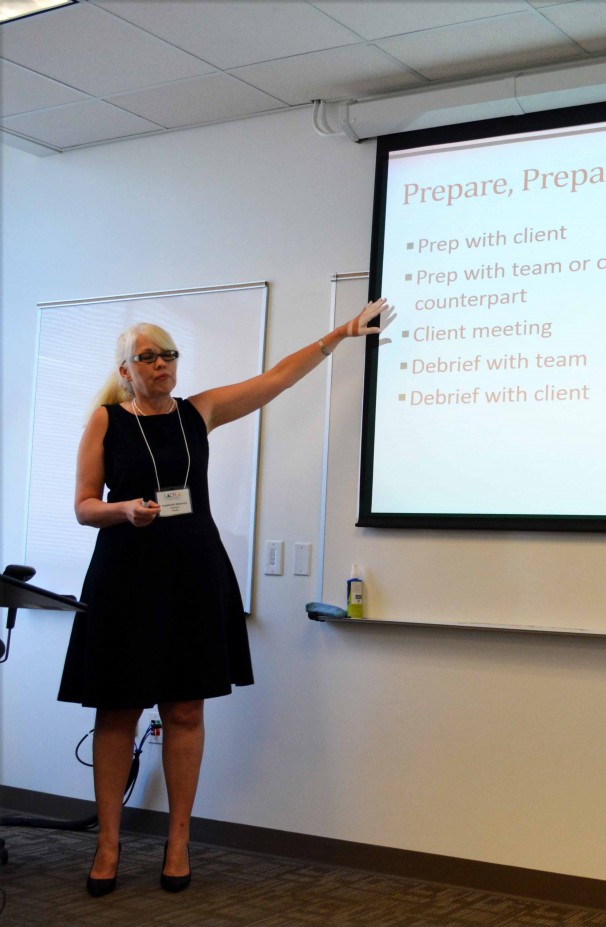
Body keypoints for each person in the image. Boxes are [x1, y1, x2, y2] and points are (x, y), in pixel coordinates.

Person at [57, 297, 392, 897]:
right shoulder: (106, 420)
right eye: (148, 357)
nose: (162, 364)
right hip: (125, 576)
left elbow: (275, 380)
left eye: (169, 354)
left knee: (184, 711)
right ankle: (108, 844)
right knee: (118, 711)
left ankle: (178, 841)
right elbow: (84, 507)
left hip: (192, 573)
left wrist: (339, 333)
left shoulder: (198, 412)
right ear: (126, 370)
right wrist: (123, 509)